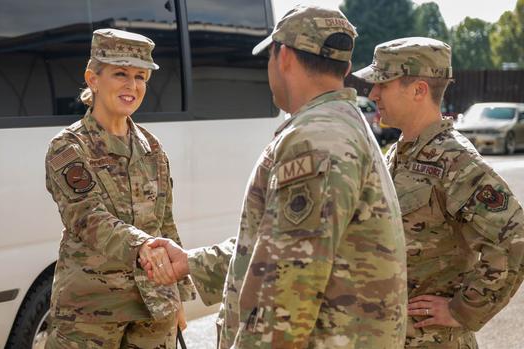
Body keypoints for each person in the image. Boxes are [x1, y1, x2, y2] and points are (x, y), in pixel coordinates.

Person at [143, 5, 408, 348]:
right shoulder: (338, 125)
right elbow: (277, 248)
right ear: (343, 67)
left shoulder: (315, 140)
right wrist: (191, 262)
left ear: (282, 56)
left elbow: (287, 294)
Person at [353, 37, 524, 348]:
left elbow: (515, 240)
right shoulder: (398, 154)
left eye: (383, 84)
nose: (373, 93)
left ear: (419, 90)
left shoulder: (456, 160)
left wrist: (463, 310)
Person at [44, 28, 195, 348]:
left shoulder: (152, 148)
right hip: (91, 316)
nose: (132, 85)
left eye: (140, 76)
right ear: (93, 78)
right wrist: (143, 247)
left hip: (153, 312)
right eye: (121, 73)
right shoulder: (69, 147)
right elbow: (88, 218)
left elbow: (165, 223)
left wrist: (178, 294)